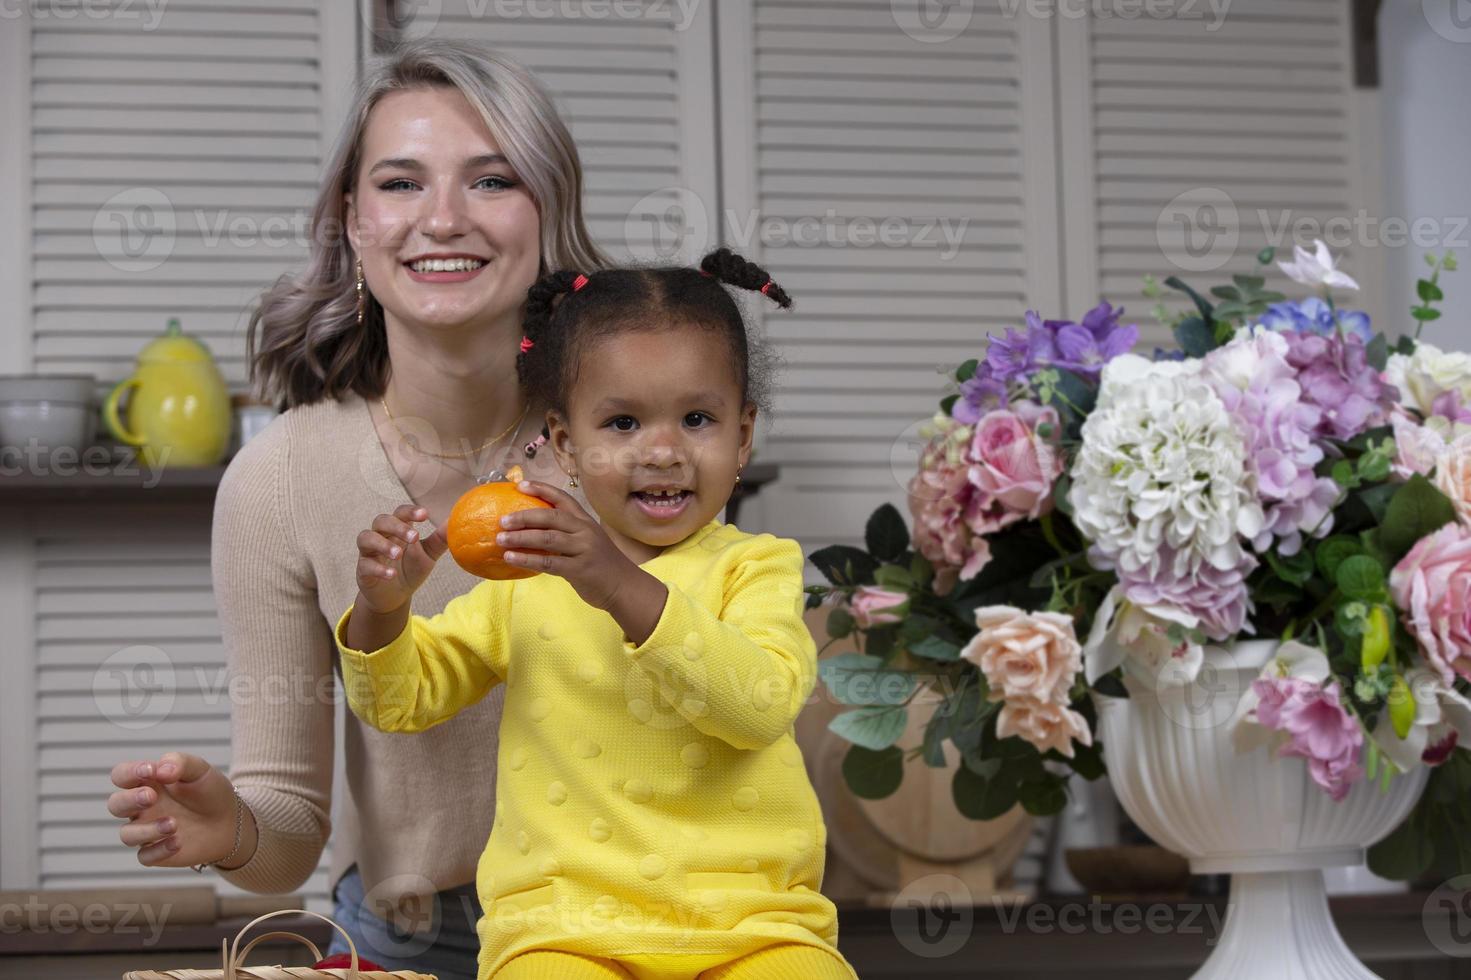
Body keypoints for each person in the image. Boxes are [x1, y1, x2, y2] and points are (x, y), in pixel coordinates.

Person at [103, 39, 606, 980]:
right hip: (413, 947)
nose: (444, 220)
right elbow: (287, 834)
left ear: (549, 209)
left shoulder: (632, 441)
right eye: (401, 183)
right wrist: (230, 828)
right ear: (354, 222)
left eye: (493, 181)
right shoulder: (281, 480)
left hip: (644, 925)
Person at [336, 248, 858, 980]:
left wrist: (616, 583)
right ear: (564, 444)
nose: (663, 451)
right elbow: (397, 702)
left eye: (697, 418)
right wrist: (381, 609)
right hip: (561, 934)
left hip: (755, 931)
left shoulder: (756, 565)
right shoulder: (527, 577)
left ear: (742, 436)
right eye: (620, 424)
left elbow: (758, 707)